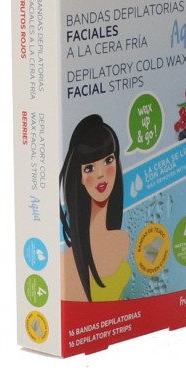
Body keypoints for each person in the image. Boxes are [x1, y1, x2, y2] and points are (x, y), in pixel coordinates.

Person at [60, 115, 131, 302]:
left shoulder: (122, 240)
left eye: (108, 160)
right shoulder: (68, 264)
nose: (101, 174)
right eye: (89, 168)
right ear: (80, 178)